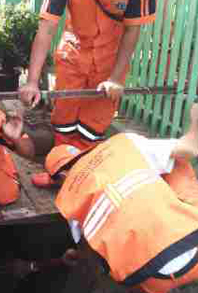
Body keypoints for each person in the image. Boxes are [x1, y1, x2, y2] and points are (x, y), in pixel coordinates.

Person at [34, 102, 198, 293]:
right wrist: (196, 120)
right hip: (194, 247)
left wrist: (71, 256)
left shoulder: (68, 201)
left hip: (153, 279)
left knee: (120, 256)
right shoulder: (123, 144)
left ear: (60, 178)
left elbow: (88, 249)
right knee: (176, 161)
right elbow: (190, 148)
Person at [19, 0, 156, 187]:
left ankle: (82, 181)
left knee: (92, 128)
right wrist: (32, 82)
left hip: (110, 64)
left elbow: (132, 30)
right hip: (72, 56)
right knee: (64, 122)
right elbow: (47, 27)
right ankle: (58, 171)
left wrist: (115, 78)